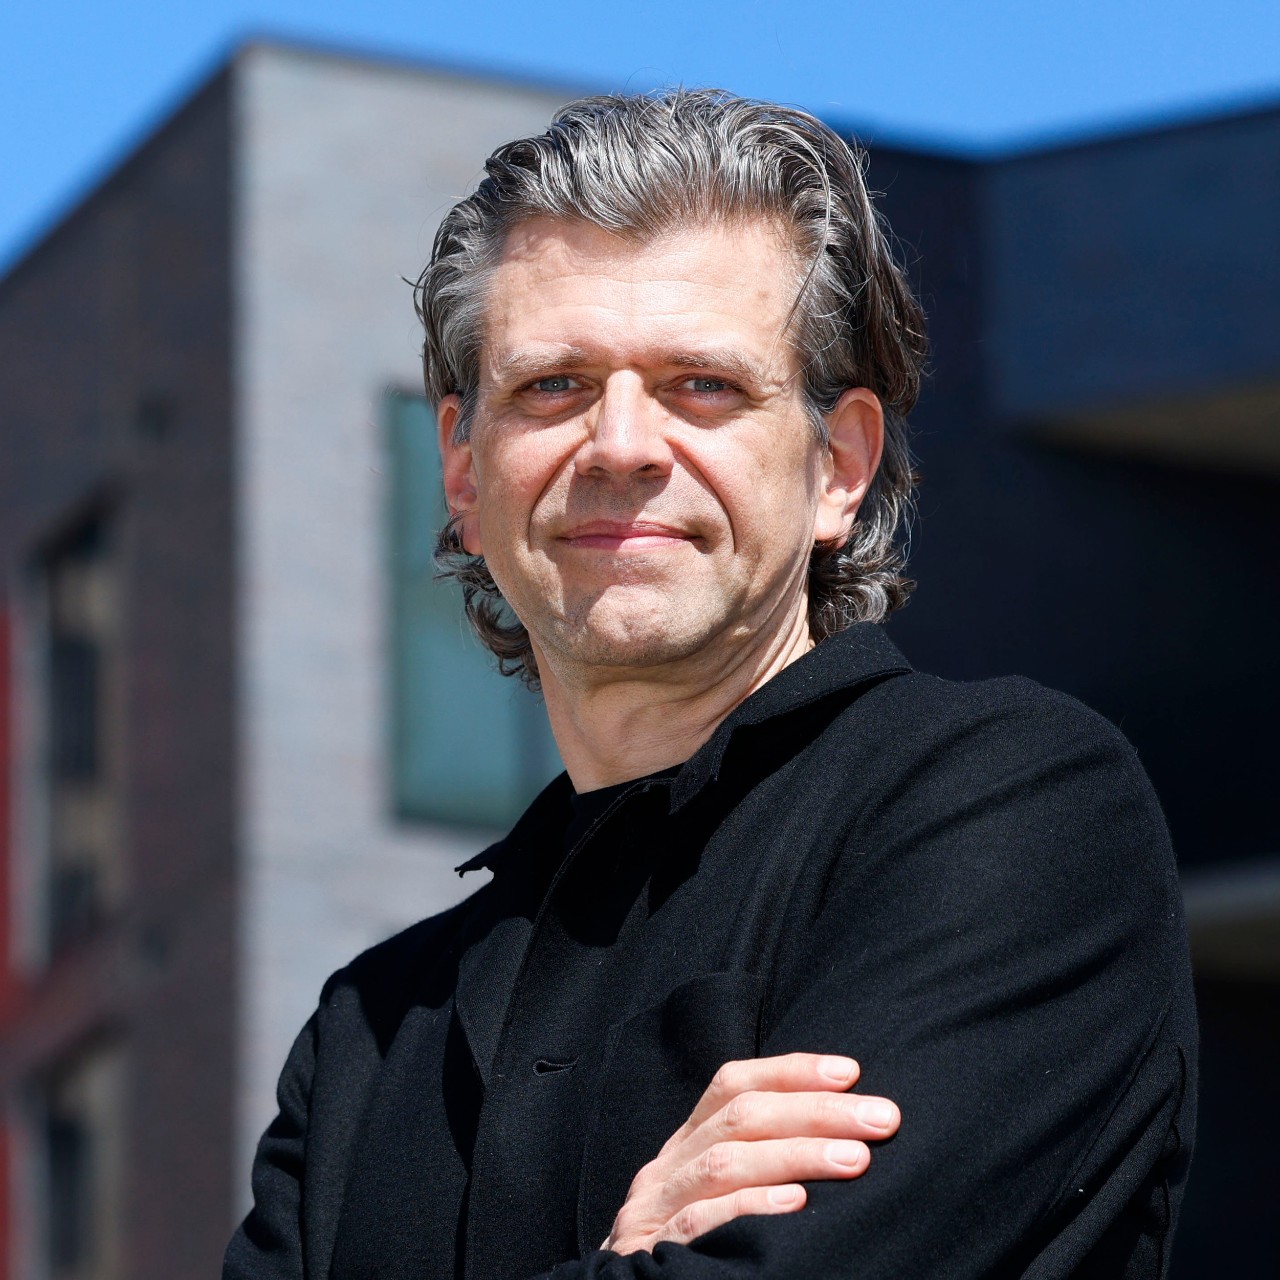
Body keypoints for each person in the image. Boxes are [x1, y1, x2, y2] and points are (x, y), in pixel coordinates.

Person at [224, 90, 1196, 1280]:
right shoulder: (369, 1039)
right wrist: (626, 1259)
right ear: (463, 474)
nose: (620, 444)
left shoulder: (1016, 811)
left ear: (838, 465)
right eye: (550, 386)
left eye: (701, 384)